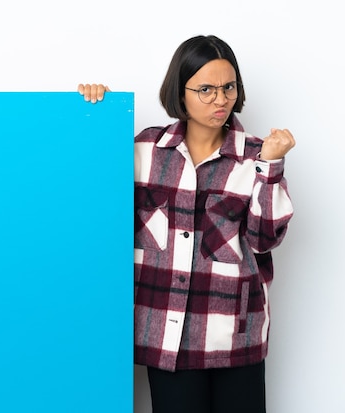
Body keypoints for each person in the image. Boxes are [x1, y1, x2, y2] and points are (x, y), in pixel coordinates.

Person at [78, 35, 295, 413]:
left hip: (234, 337)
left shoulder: (256, 156)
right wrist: (99, 115)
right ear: (181, 90)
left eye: (229, 87)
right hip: (166, 335)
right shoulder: (144, 151)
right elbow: (93, 205)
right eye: (206, 89)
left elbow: (265, 239)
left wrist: (271, 166)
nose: (220, 100)